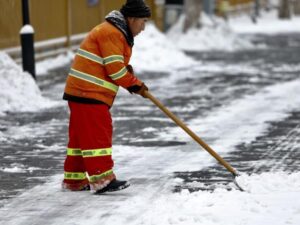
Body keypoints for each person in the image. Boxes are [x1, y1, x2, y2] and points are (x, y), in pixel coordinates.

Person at [62, 0, 151, 194]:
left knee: (80, 139)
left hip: (81, 91)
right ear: (132, 18)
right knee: (97, 135)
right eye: (143, 21)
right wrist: (135, 85)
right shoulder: (112, 32)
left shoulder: (114, 31)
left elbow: (111, 64)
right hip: (89, 92)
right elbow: (115, 71)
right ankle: (102, 179)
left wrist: (127, 75)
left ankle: (74, 179)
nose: (143, 28)